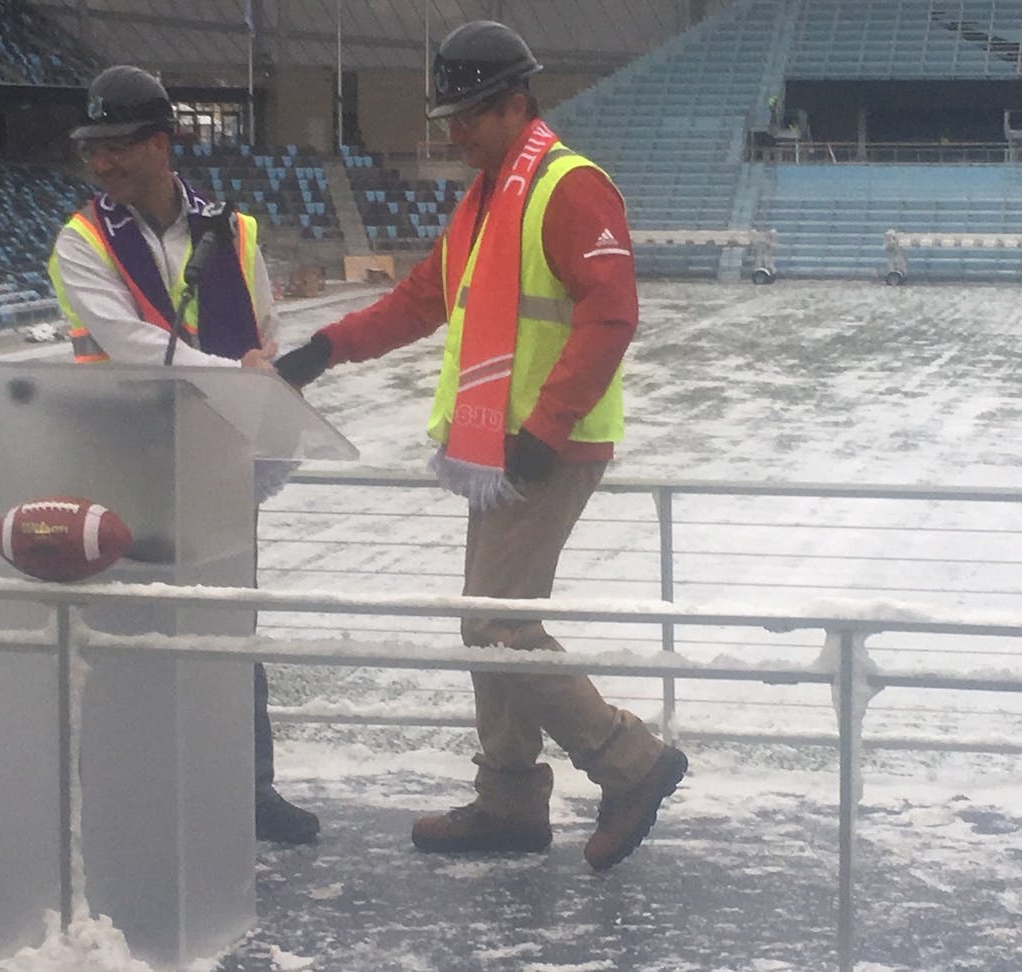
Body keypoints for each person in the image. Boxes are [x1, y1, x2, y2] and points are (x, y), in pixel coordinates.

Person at [274, 20, 687, 871]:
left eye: (468, 114)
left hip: (548, 445)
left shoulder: (569, 187)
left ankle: (630, 763)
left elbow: (612, 315)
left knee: (495, 624)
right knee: (488, 621)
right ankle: (508, 799)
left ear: (516, 104)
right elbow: (423, 299)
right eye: (448, 116)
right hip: (498, 446)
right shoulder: (490, 196)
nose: (453, 130)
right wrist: (325, 349)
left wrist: (546, 429)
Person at [47, 65, 319, 846]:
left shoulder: (235, 231)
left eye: (116, 147)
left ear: (161, 144)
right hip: (120, 456)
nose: (100, 163)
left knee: (232, 626)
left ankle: (249, 789)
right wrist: (236, 376)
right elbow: (129, 345)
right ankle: (125, 788)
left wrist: (254, 379)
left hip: (214, 459)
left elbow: (263, 331)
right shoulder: (82, 239)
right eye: (92, 148)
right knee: (127, 630)